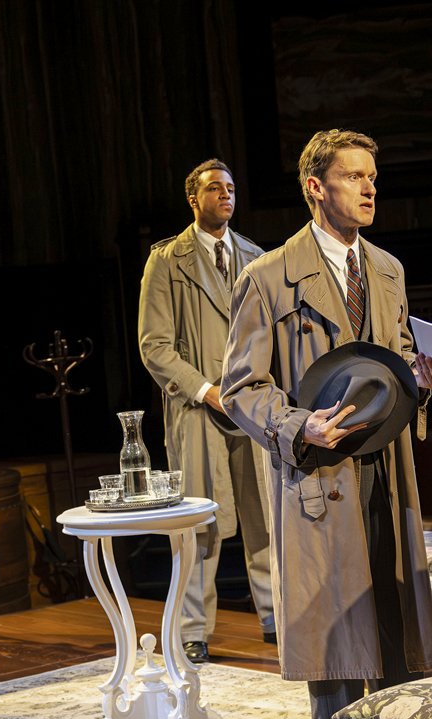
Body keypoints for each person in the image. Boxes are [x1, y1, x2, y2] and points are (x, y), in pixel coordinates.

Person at [222, 129, 432, 719]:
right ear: (315, 187)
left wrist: (424, 378)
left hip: (387, 469)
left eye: (372, 176)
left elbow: (399, 360)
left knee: (393, 620)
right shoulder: (267, 277)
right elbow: (240, 388)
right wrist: (297, 427)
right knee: (334, 641)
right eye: (353, 176)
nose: (368, 187)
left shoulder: (385, 268)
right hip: (321, 473)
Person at [137, 159, 276, 664]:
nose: (225, 196)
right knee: (201, 523)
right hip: (199, 408)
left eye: (231, 189)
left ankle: (275, 619)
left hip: (252, 407)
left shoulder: (256, 257)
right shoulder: (168, 260)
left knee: (264, 515)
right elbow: (155, 345)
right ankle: (194, 627)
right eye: (214, 189)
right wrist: (204, 389)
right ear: (193, 200)